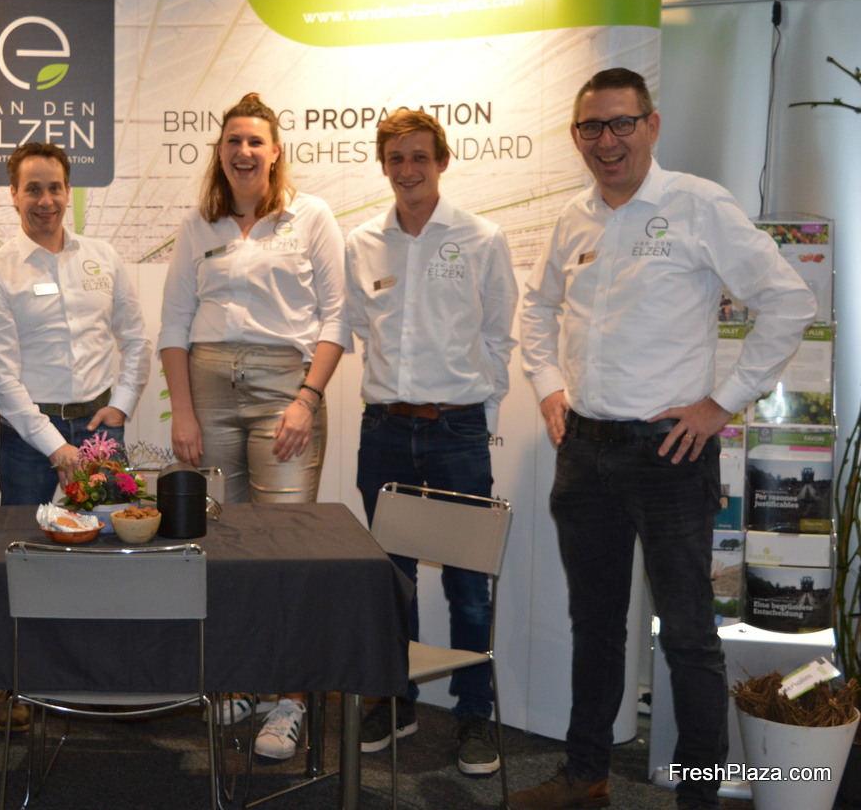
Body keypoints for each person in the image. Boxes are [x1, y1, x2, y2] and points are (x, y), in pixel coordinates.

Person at [512, 68, 816, 810]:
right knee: (594, 625)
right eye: (593, 127)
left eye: (622, 123)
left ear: (651, 125)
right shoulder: (574, 218)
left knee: (686, 635)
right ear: (576, 136)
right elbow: (536, 309)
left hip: (670, 454)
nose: (607, 141)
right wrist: (548, 386)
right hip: (584, 451)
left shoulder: (697, 204)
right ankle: (586, 776)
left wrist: (722, 403)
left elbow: (789, 301)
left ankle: (698, 796)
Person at [158, 92, 351, 761]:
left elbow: (337, 318)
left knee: (286, 545)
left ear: (275, 153)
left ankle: (291, 697)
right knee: (225, 542)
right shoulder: (198, 225)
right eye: (233, 141)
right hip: (208, 390)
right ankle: (239, 680)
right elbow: (173, 324)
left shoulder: (311, 217)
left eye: (255, 142)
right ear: (220, 152)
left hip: (284, 391)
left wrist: (306, 399)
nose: (243, 152)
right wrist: (183, 411)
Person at [345, 108, 516, 774]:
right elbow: (360, 328)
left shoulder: (481, 238)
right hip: (385, 430)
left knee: (468, 585)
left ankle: (474, 715)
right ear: (383, 165)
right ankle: (397, 701)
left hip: (457, 430)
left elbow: (498, 336)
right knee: (393, 581)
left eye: (420, 156)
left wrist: (477, 418)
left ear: (442, 161)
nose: (408, 169)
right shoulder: (362, 242)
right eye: (396, 158)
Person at [0, 141, 150, 733]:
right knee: (29, 560)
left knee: (113, 556)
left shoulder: (103, 257)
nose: (44, 200)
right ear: (13, 195)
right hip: (30, 438)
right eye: (32, 189)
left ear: (68, 192)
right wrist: (56, 446)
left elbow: (136, 340)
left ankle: (108, 679)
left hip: (100, 432)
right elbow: (0, 379)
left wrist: (121, 406)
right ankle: (22, 685)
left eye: (54, 188)